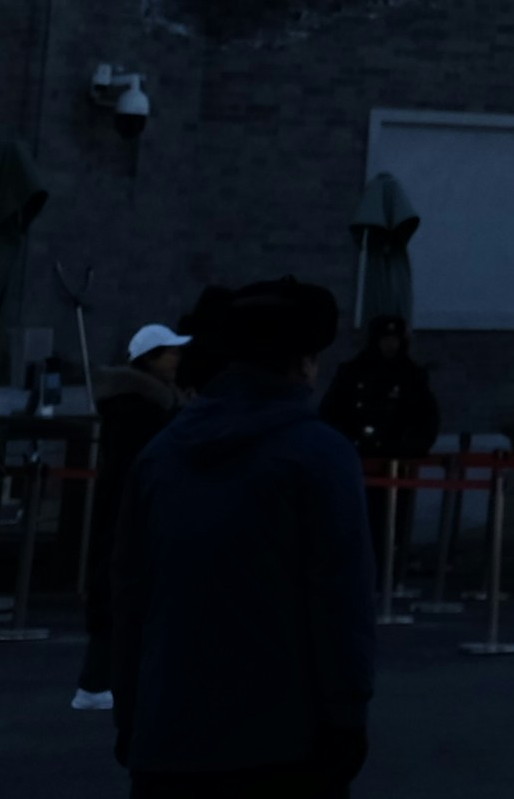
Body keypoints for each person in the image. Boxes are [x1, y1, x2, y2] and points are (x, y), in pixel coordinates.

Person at [108, 279, 371, 799]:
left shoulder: (161, 456)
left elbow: (128, 594)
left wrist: (130, 712)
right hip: (287, 743)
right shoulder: (320, 455)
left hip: (168, 736)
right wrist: (347, 715)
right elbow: (340, 600)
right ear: (302, 363)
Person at [75, 316, 194, 713]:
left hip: (130, 506)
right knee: (122, 591)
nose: (177, 357)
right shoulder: (141, 405)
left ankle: (103, 680)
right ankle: (97, 681)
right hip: (134, 507)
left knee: (123, 590)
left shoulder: (140, 400)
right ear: (152, 359)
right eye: (170, 352)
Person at [317, 316, 437, 578]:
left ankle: (388, 572)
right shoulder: (353, 372)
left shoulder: (411, 375)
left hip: (396, 463)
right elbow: (332, 412)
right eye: (385, 339)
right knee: (357, 519)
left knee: (392, 521)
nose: (389, 345)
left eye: (394, 339)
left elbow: (425, 419)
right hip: (357, 460)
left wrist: (408, 449)